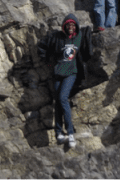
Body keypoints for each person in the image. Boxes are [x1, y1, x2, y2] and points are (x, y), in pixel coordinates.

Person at [38, 14, 93, 148]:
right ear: (64, 26)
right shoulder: (57, 37)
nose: (70, 27)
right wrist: (49, 62)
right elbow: (42, 46)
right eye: (68, 25)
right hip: (58, 72)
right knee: (58, 102)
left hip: (71, 73)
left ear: (76, 27)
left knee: (63, 98)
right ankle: (58, 133)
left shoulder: (78, 36)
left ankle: (70, 132)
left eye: (73, 25)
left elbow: (87, 33)